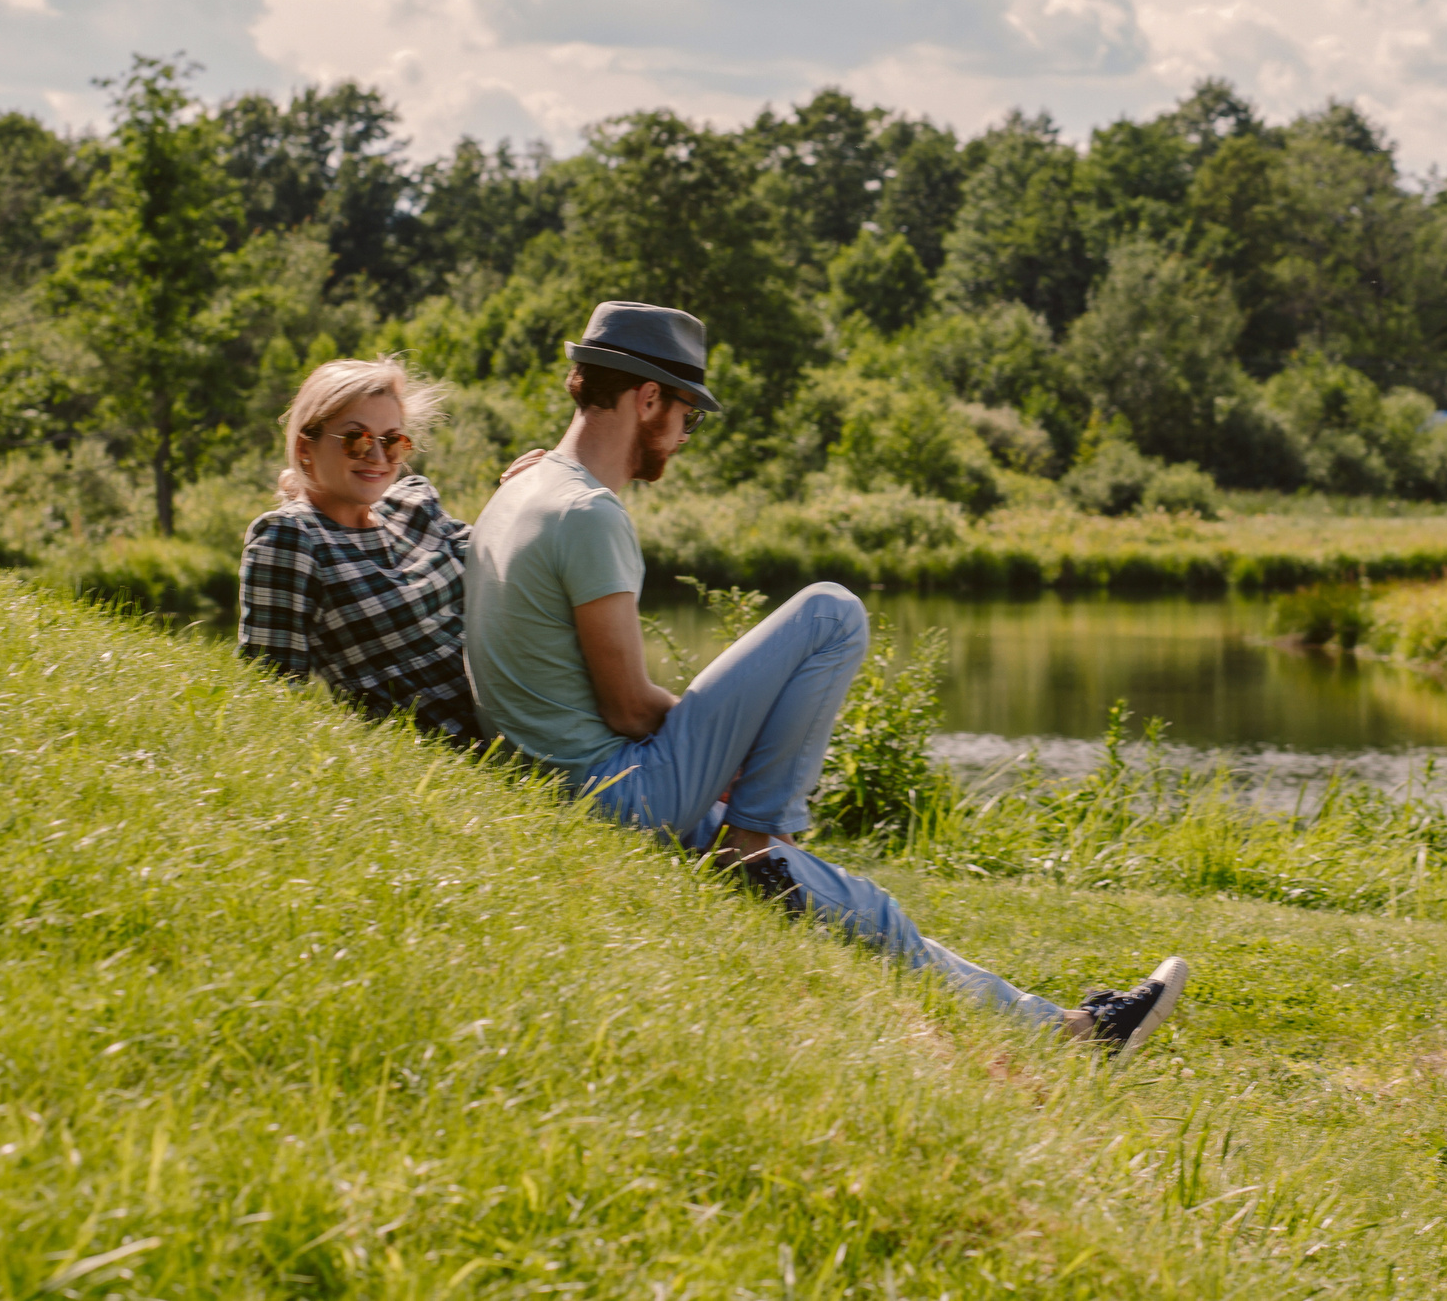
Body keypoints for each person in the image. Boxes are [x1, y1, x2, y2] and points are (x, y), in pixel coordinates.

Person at [464, 300, 1188, 1055]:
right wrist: (731, 760)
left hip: (550, 780)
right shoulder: (587, 513)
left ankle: (1070, 1031)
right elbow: (628, 709)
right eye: (688, 415)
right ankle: (754, 845)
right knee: (831, 612)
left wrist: (719, 753)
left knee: (862, 907)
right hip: (614, 791)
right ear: (647, 399)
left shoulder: (520, 487)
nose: (684, 436)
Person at [237, 357, 490, 748]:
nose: (377, 456)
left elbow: (511, 567)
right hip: (459, 753)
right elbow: (268, 692)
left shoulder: (414, 505)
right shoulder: (292, 537)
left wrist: (526, 490)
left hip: (535, 714)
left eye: (392, 441)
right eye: (356, 439)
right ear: (306, 447)